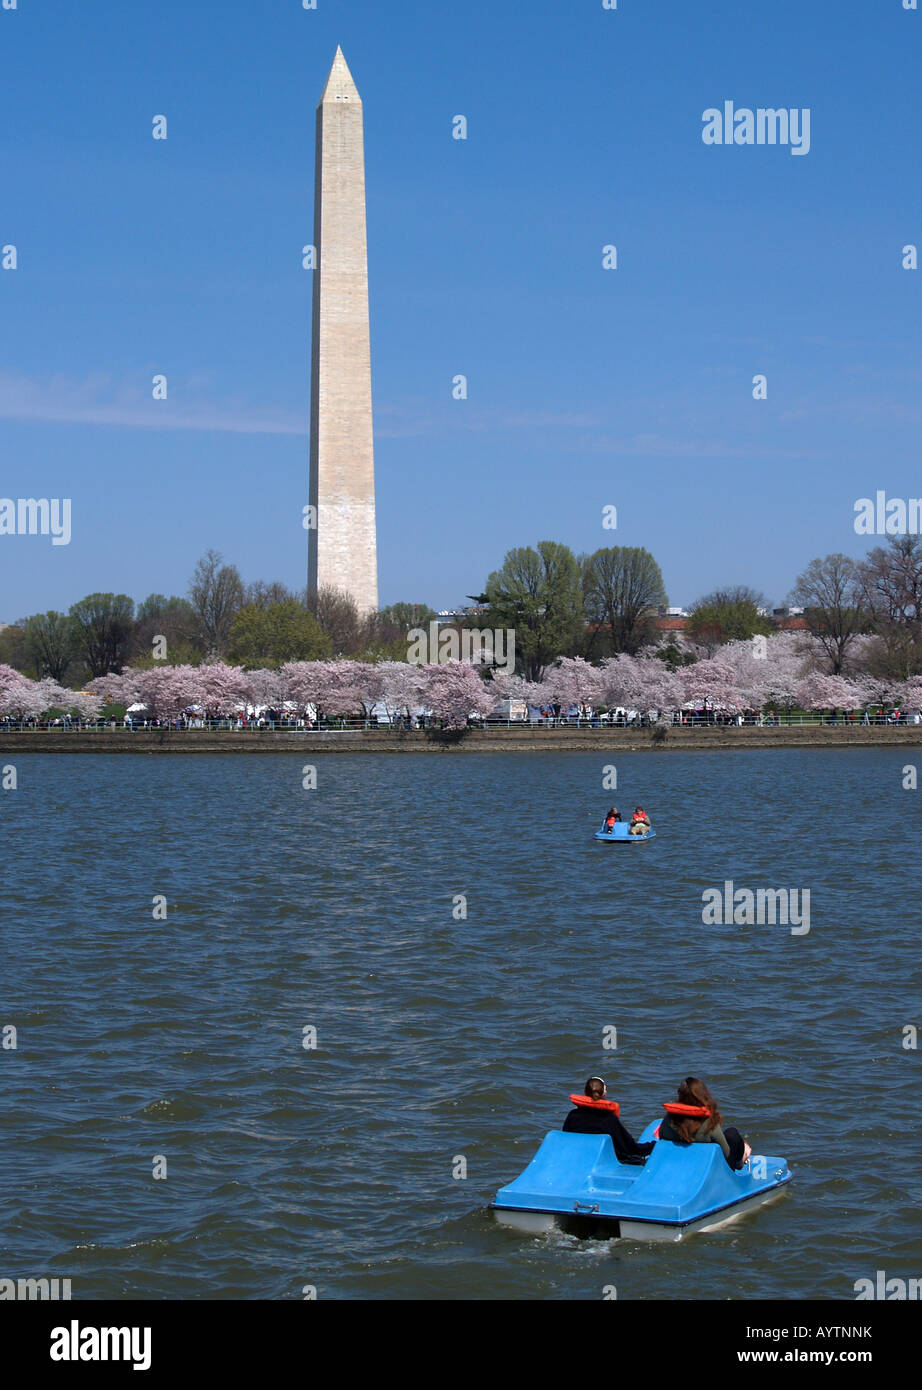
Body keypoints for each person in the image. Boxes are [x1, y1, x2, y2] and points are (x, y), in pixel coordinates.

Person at [658, 1077, 751, 1170]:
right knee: (732, 1134)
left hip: (680, 1162)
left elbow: (661, 1137)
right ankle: (741, 1161)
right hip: (708, 1169)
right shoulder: (708, 1122)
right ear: (703, 1095)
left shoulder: (669, 1119)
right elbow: (726, 1154)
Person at [562, 1076, 654, 1165]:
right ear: (604, 1093)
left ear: (585, 1093)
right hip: (603, 1160)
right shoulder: (608, 1118)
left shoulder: (573, 1115)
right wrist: (654, 1145)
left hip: (579, 1157)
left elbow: (566, 1138)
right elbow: (631, 1148)